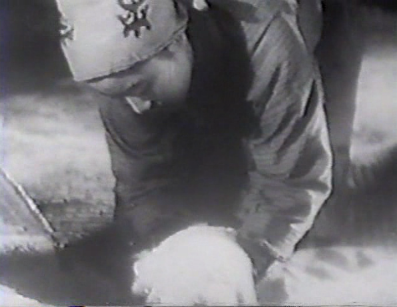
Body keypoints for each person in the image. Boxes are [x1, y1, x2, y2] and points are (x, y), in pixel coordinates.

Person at [55, 0, 332, 304]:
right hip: (193, 54)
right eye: (119, 95)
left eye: (140, 88)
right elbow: (140, 184)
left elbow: (293, 179)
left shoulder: (270, 41)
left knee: (309, 198)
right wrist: (167, 245)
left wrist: (243, 256)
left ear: (177, 43)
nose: (138, 106)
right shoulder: (120, 74)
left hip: (300, 15)